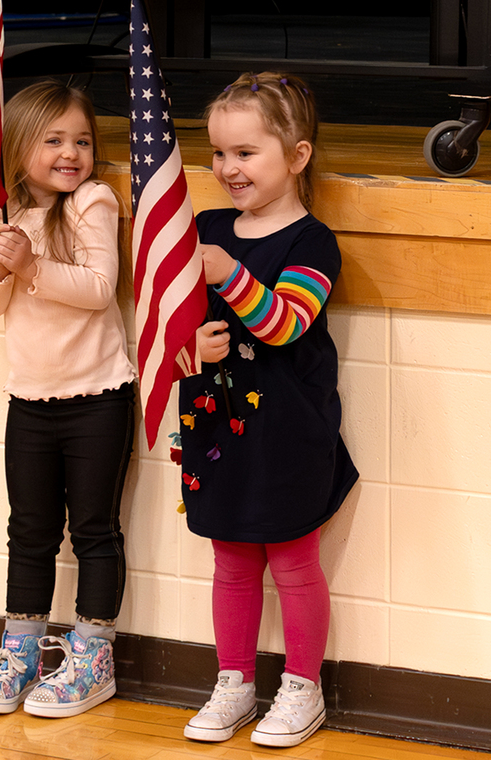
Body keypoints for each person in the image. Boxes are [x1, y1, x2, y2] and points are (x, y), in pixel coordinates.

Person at [177, 71, 358, 748]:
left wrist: (227, 274)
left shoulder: (311, 243)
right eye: (218, 153)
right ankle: (233, 681)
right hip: (219, 430)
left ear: (297, 155)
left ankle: (302, 686)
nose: (227, 168)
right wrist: (189, 341)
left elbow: (285, 324)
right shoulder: (205, 228)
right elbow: (171, 327)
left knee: (291, 561)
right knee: (230, 559)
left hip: (287, 433)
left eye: (245, 153)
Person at [0, 80, 136, 718]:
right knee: (30, 532)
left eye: (82, 140)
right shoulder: (9, 214)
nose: (72, 152)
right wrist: (4, 265)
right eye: (54, 140)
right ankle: (22, 651)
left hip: (97, 398)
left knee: (94, 529)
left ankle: (93, 655)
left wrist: (31, 263)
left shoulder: (92, 200)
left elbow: (97, 287)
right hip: (29, 403)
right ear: (18, 148)